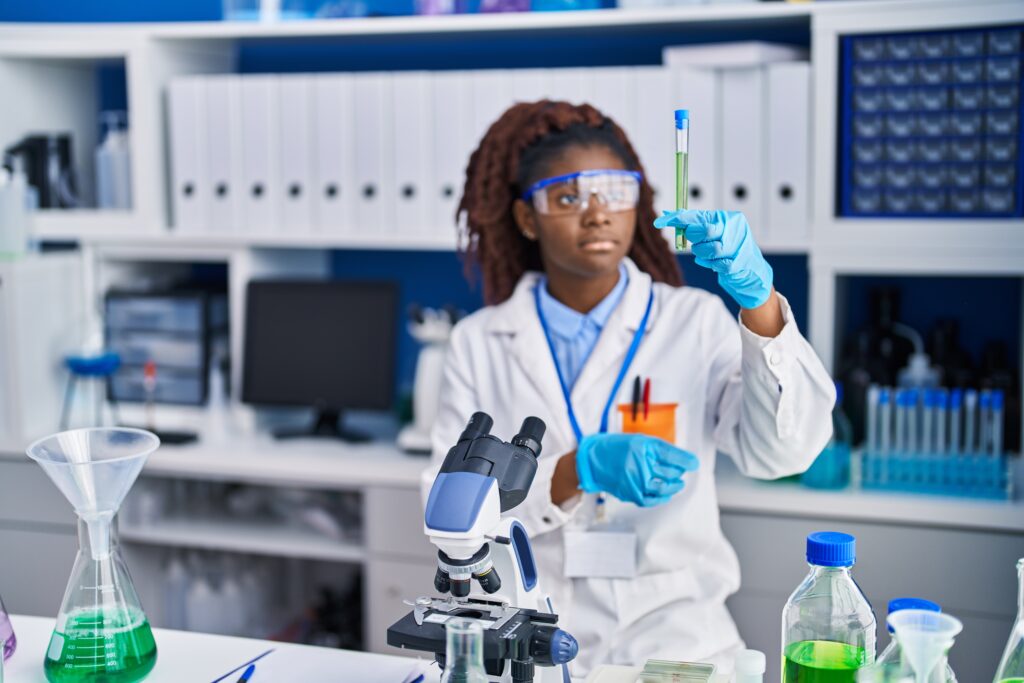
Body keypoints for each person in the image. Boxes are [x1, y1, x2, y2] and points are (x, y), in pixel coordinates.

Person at [428, 100, 835, 676]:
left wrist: (760, 304)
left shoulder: (693, 321)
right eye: (567, 197)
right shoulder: (478, 341)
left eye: (615, 193)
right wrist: (576, 470)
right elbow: (444, 507)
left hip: (676, 638)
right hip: (526, 632)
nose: (597, 214)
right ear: (527, 217)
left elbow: (784, 452)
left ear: (637, 203)